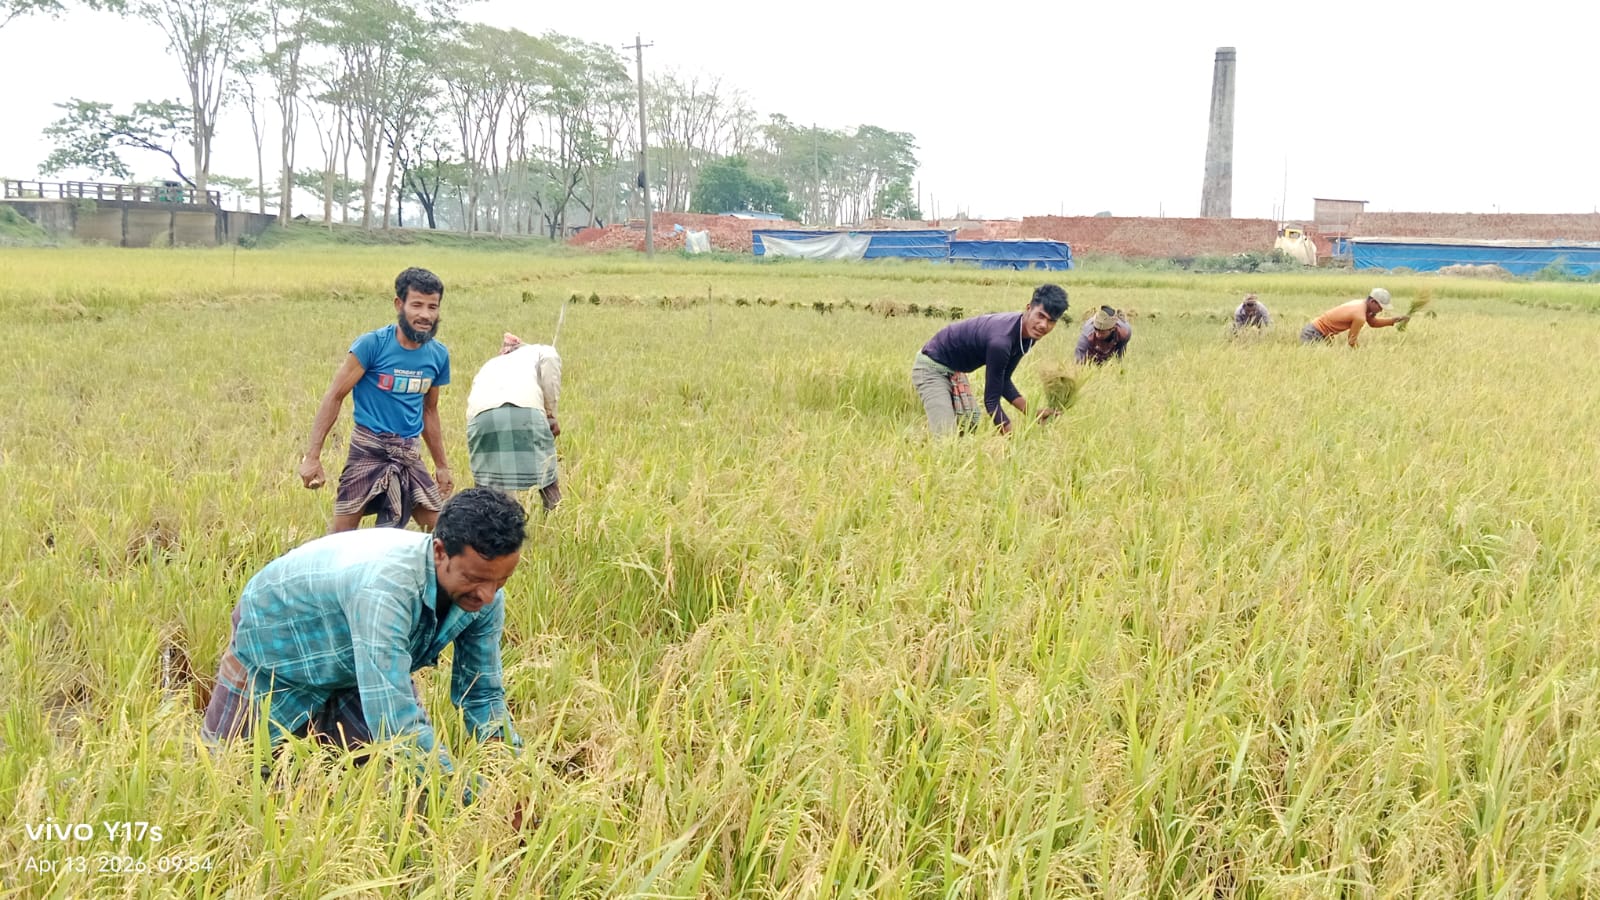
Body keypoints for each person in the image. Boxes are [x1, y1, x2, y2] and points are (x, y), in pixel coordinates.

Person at [201, 487, 526, 793]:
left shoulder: (485, 597)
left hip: (357, 657)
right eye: (474, 578)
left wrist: (511, 780)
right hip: (278, 638)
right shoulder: (386, 590)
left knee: (393, 779)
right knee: (233, 778)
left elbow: (481, 696)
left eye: (501, 581)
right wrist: (469, 791)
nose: (487, 595)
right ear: (440, 552)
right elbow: (395, 722)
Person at [299, 267, 454, 532]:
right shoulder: (372, 345)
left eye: (432, 307)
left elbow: (430, 412)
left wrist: (442, 466)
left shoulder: (438, 355)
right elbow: (334, 397)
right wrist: (312, 457)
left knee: (441, 534)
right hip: (368, 450)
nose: (425, 315)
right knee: (341, 537)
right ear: (399, 304)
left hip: (408, 454)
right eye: (416, 305)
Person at [911, 284, 1068, 435]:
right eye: (1040, 316)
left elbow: (1004, 380)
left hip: (954, 369)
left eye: (1051, 321)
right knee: (945, 436)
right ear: (1028, 308)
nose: (1043, 325)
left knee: (968, 428)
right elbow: (991, 402)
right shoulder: (1001, 341)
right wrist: (1013, 439)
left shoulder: (1028, 335)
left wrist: (1033, 413)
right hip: (931, 367)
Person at [465, 333, 563, 512]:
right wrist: (550, 414)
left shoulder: (490, 364)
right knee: (547, 477)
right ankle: (555, 523)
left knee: (490, 483)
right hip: (525, 411)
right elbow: (550, 360)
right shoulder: (541, 351)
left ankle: (495, 527)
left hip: (480, 419)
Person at [1301, 287, 1410, 347]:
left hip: (1321, 333)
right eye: (1380, 307)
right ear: (1372, 301)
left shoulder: (1362, 305)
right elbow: (1352, 341)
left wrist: (1396, 320)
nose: (1381, 310)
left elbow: (1373, 323)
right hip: (1314, 334)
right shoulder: (1359, 315)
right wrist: (1362, 357)